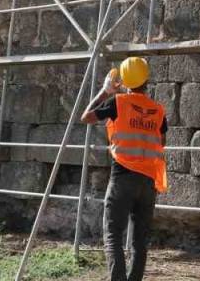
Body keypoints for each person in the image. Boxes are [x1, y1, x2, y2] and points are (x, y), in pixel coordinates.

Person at [80, 56, 168, 281]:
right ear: (146, 79)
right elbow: (161, 142)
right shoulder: (158, 110)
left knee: (112, 236)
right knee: (140, 240)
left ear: (124, 80)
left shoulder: (117, 102)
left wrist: (105, 91)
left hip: (122, 178)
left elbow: (86, 116)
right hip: (148, 182)